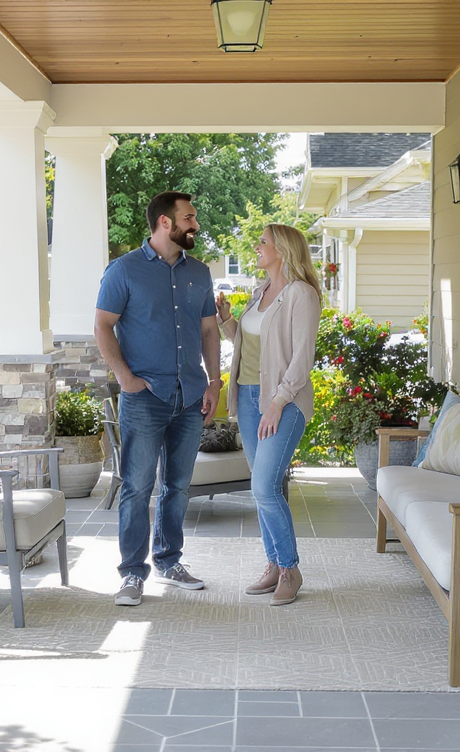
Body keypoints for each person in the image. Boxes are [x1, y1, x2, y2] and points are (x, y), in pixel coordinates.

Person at [94, 191, 222, 607]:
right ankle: (132, 573)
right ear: (165, 223)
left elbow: (208, 331)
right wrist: (125, 377)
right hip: (145, 397)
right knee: (136, 486)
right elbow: (102, 327)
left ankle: (169, 561)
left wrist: (214, 381)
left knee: (178, 486)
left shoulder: (200, 273)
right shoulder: (123, 270)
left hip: (189, 396)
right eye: (189, 218)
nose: (195, 225)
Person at [215, 224, 321, 606]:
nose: (257, 247)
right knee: (261, 490)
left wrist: (277, 401)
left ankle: (290, 569)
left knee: (264, 487)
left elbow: (301, 358)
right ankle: (274, 565)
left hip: (283, 401)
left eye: (262, 242)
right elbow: (250, 344)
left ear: (283, 249)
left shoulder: (301, 295)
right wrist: (228, 320)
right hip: (246, 397)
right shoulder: (261, 292)